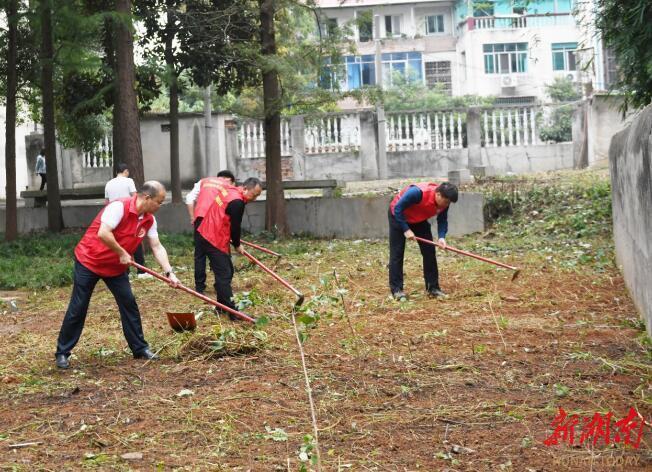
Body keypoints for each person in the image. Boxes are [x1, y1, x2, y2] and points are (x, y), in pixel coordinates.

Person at [54, 181, 180, 369]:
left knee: (129, 303)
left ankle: (140, 348)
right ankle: (62, 352)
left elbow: (156, 246)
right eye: (159, 202)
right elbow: (103, 233)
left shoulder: (149, 220)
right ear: (147, 198)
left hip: (115, 268)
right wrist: (122, 252)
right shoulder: (118, 207)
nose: (160, 206)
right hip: (90, 261)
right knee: (79, 305)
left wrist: (169, 272)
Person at [196, 177, 262, 317]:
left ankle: (221, 307)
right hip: (214, 237)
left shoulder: (231, 190)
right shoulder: (237, 202)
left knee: (226, 271)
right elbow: (235, 227)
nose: (254, 199)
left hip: (207, 231)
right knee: (224, 274)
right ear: (245, 188)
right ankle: (232, 312)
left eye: (257, 196)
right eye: (254, 194)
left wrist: (234, 240)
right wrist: (237, 244)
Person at [388, 181, 458, 300]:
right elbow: (398, 208)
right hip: (398, 216)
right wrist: (406, 229)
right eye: (446, 202)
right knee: (397, 253)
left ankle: (433, 288)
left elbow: (442, 220)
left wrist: (441, 237)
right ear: (438, 194)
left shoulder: (445, 202)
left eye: (449, 203)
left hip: (418, 219)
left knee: (429, 251)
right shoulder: (417, 193)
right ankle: (397, 290)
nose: (446, 205)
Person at [185, 170, 237, 294]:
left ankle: (199, 287)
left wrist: (193, 217)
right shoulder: (229, 187)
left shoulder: (204, 181)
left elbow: (189, 198)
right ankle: (223, 284)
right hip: (216, 220)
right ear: (231, 181)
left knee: (200, 254)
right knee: (221, 250)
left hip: (200, 218)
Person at [105, 163, 149, 278]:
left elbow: (106, 202)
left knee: (120, 242)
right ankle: (141, 271)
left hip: (114, 217)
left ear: (116, 172)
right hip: (129, 215)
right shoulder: (128, 181)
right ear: (125, 171)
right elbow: (134, 198)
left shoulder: (109, 183)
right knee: (135, 242)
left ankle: (125, 272)